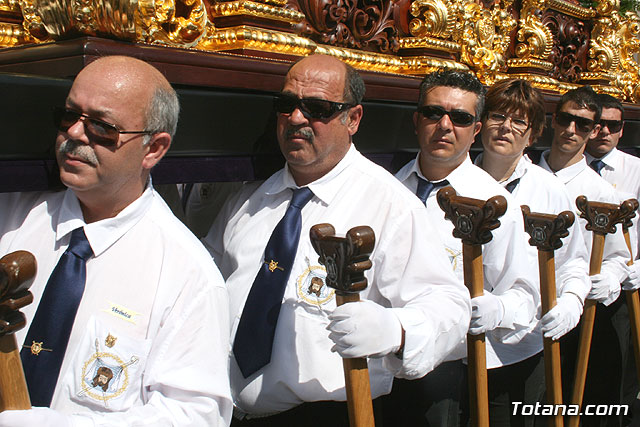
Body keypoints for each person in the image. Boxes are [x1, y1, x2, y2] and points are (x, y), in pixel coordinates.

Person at [204, 54, 471, 426]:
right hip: (220, 409)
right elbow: (207, 285)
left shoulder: (391, 206)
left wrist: (396, 329)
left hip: (325, 414)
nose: (297, 119)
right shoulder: (247, 201)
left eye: (317, 108)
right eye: (287, 105)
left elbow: (450, 306)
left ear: (353, 119)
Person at [0, 56, 232, 426]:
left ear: (153, 148)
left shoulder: (187, 274)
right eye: (69, 116)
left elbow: (193, 416)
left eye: (102, 127)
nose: (75, 134)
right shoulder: (13, 216)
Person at [393, 70, 540, 426]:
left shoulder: (493, 202)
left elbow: (526, 295)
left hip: (443, 369)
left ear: (475, 130)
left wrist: (498, 308)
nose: (444, 125)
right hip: (381, 358)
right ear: (417, 120)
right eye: (433, 113)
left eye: (459, 118)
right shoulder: (392, 187)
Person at [537, 85, 630, 426]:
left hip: (575, 312)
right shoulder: (525, 174)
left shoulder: (602, 192)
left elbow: (620, 256)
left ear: (592, 131)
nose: (571, 130)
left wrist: (610, 277)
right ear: (552, 120)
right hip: (524, 310)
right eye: (565, 119)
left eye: (583, 124)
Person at [477, 79, 590, 342]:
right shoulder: (458, 184)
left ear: (534, 134)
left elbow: (573, 262)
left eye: (519, 121)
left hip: (522, 341)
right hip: (460, 345)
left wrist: (572, 302)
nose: (506, 127)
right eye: (498, 116)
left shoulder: (550, 189)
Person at [585, 93, 640, 424]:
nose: (604, 132)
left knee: (619, 373)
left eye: (613, 126)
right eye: (599, 124)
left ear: (622, 130)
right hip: (580, 283)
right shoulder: (567, 170)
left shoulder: (637, 170)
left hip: (626, 286)